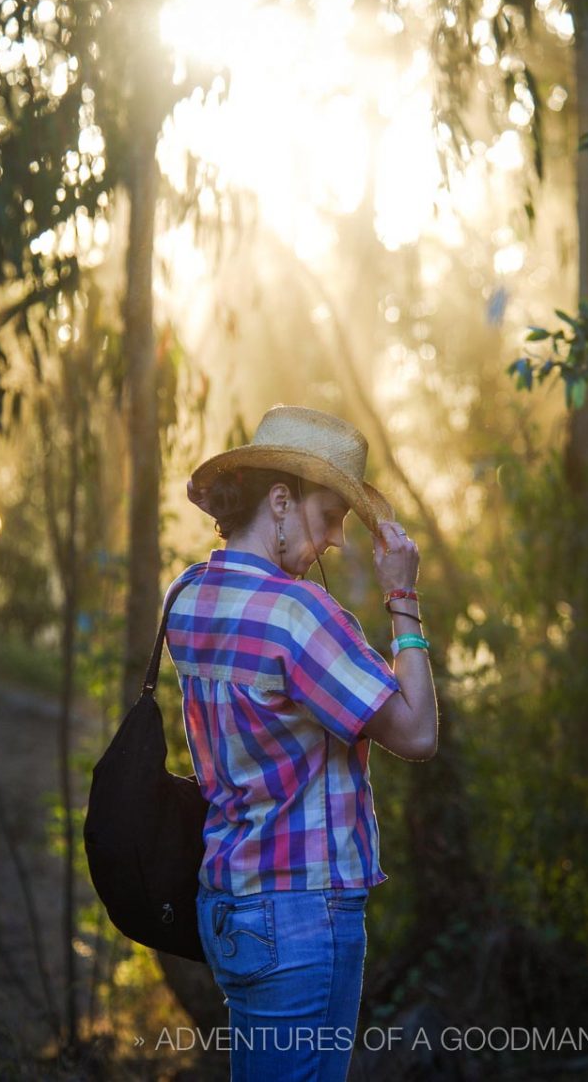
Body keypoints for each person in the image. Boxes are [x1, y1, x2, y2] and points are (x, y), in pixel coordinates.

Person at [165, 405, 438, 1082]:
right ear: (280, 501)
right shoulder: (299, 615)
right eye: (328, 516)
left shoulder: (187, 596)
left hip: (228, 905)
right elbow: (418, 731)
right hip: (302, 914)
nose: (336, 540)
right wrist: (402, 597)